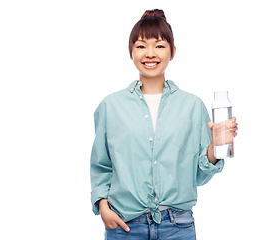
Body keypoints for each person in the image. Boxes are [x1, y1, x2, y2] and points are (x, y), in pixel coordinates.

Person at [90, 9, 238, 240]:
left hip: (177, 226)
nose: (150, 53)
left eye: (159, 45)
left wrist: (216, 147)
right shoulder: (111, 106)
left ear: (173, 51)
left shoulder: (192, 106)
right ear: (130, 52)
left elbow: (198, 174)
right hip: (125, 225)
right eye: (141, 46)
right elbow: (101, 165)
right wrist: (102, 206)